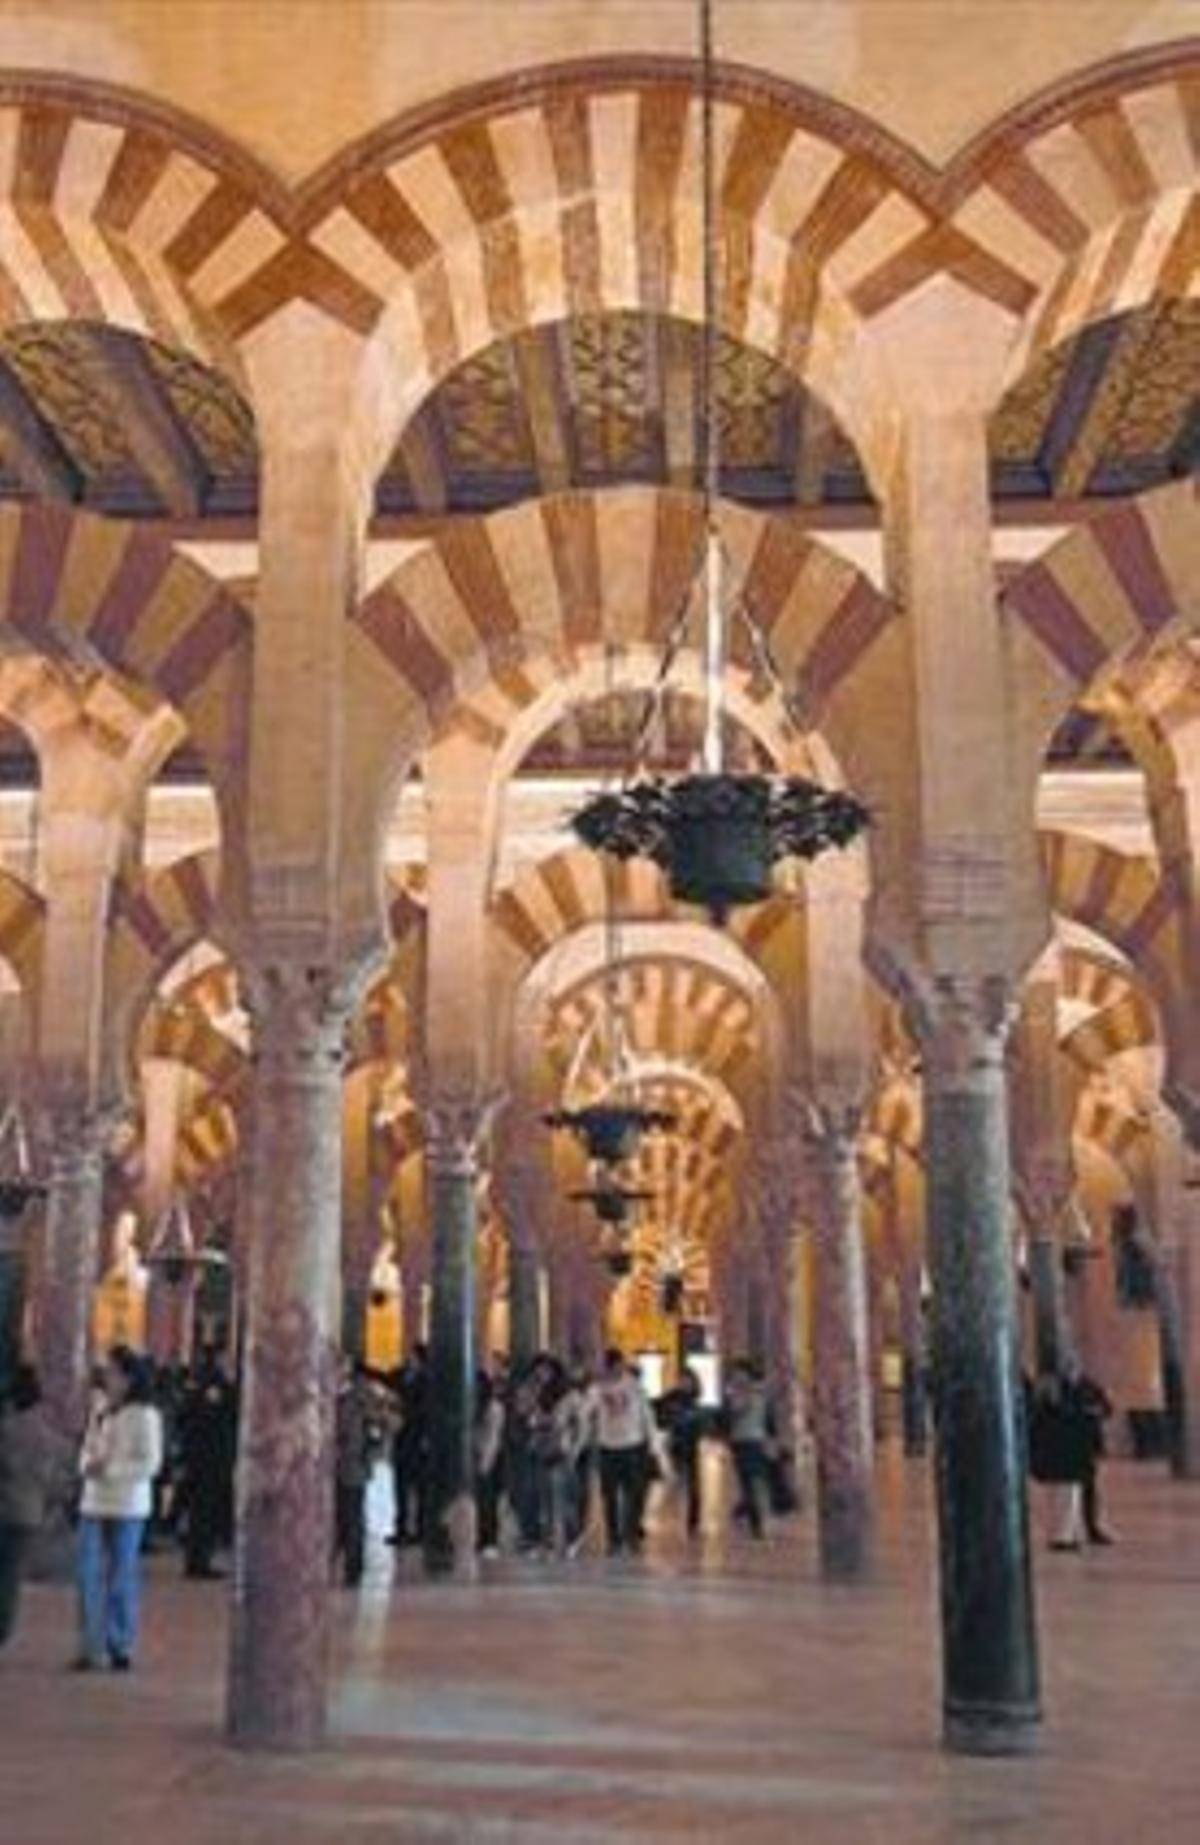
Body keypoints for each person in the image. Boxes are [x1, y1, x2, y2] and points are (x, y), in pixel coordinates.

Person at [75, 1346, 163, 1671]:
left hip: (127, 1504)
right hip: (94, 1501)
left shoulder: (146, 1415)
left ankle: (120, 1642)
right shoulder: (100, 1409)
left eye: (113, 1372)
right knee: (89, 1574)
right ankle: (90, 1643)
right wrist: (86, 1464)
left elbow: (151, 1463)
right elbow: (86, 1445)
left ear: (128, 1378)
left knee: (122, 1574)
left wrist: (112, 1469)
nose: (107, 1378)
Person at [0, 1365, 57, 1648]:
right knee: (12, 1573)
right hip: (30, 1511)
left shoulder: (7, 1430)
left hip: (5, 1506)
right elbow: (54, 1477)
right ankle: (5, 1626)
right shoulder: (46, 1434)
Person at [177, 1346, 237, 1579]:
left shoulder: (198, 1385)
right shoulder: (215, 1387)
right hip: (211, 1459)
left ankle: (199, 1557)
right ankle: (199, 1561)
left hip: (200, 1457)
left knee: (201, 1511)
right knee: (204, 1512)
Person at [591, 1349, 654, 1556]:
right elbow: (586, 1411)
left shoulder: (635, 1387)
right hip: (607, 1446)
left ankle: (631, 1534)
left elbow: (647, 1415)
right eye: (612, 1366)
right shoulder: (598, 1388)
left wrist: (652, 1443)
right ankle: (614, 1538)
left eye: (619, 1365)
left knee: (634, 1493)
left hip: (632, 1445)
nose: (616, 1370)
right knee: (609, 1496)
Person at [334, 1359, 376, 1588]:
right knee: (343, 1515)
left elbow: (368, 1430)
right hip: (340, 1465)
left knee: (352, 1516)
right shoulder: (339, 1396)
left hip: (352, 1465)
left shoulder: (358, 1398)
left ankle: (353, 1566)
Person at [725, 1359, 769, 1540]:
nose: (735, 1376)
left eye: (738, 1373)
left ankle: (755, 1522)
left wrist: (733, 1396)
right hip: (751, 1439)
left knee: (749, 1482)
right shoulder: (759, 1391)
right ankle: (745, 1509)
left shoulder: (746, 1392)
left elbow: (737, 1410)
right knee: (749, 1480)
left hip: (747, 1441)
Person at [662, 1366, 705, 1537]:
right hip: (676, 1445)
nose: (684, 1383)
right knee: (673, 1483)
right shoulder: (671, 1397)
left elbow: (700, 1425)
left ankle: (693, 1522)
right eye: (682, 1380)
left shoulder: (695, 1399)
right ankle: (668, 1510)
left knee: (693, 1486)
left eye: (687, 1380)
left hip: (691, 1447)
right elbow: (662, 1415)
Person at [475, 1370, 505, 1558]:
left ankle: (490, 1540)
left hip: (490, 1459)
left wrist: (486, 1462)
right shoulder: (470, 1406)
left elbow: (494, 1438)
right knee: (477, 1501)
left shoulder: (494, 1408)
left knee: (488, 1501)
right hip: (474, 1457)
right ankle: (478, 1537)